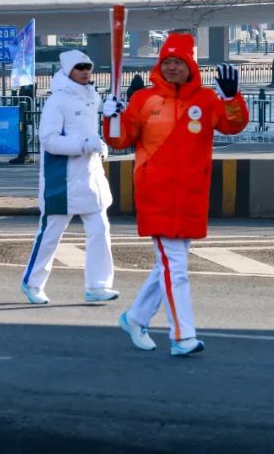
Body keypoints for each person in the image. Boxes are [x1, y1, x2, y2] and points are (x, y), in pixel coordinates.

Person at [103, 31, 248, 356]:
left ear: (190, 65)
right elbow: (120, 139)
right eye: (166, 61)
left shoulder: (207, 100)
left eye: (177, 62)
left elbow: (232, 125)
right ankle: (182, 337)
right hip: (157, 193)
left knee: (169, 264)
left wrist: (231, 96)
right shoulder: (144, 100)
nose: (170, 68)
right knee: (176, 267)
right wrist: (111, 115)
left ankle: (135, 317)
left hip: (191, 194)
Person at [21, 50, 117, 305]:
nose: (85, 71)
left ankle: (98, 285)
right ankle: (33, 282)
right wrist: (86, 144)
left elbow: (92, 133)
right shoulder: (57, 101)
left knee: (100, 230)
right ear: (68, 71)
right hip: (61, 180)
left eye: (88, 66)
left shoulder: (91, 97)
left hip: (91, 177)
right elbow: (49, 140)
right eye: (79, 67)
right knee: (51, 234)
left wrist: (104, 134)